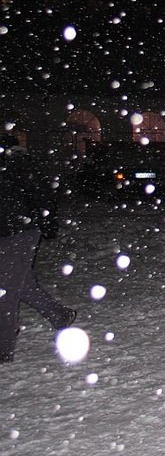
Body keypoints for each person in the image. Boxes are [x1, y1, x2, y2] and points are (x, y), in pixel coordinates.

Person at [1, 144, 77, 363]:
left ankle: (3, 347)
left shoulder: (17, 165)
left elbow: (40, 195)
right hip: (14, 229)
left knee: (6, 289)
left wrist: (47, 222)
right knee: (20, 283)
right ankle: (59, 314)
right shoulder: (16, 165)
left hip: (17, 232)